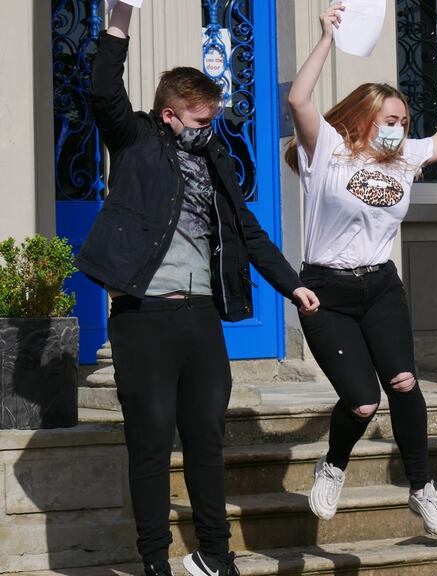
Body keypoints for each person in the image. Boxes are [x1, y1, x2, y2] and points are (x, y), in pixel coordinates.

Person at [75, 3, 319, 576]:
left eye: (213, 118)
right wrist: (119, 23)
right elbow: (103, 93)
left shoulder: (215, 160)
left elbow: (248, 232)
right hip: (144, 317)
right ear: (168, 114)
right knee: (152, 444)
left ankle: (215, 556)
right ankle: (155, 562)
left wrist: (293, 286)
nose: (208, 127)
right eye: (198, 118)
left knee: (207, 441)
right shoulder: (135, 139)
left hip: (202, 319)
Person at [285, 3, 437, 536]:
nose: (401, 130)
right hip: (325, 290)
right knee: (360, 401)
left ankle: (423, 489)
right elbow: (298, 99)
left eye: (404, 123)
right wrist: (327, 39)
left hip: (380, 285)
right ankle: (333, 465)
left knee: (403, 382)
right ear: (364, 120)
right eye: (392, 121)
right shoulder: (327, 151)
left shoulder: (405, 160)